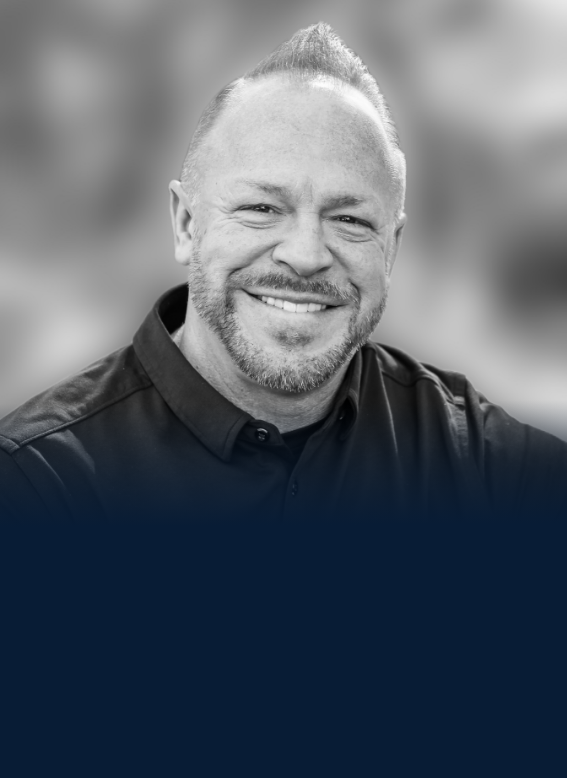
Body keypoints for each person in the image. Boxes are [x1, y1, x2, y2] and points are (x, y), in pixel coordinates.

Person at [0, 22, 565, 521]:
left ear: (391, 248)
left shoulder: (484, 465)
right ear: (185, 224)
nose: (305, 254)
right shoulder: (39, 485)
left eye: (348, 219)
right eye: (262, 208)